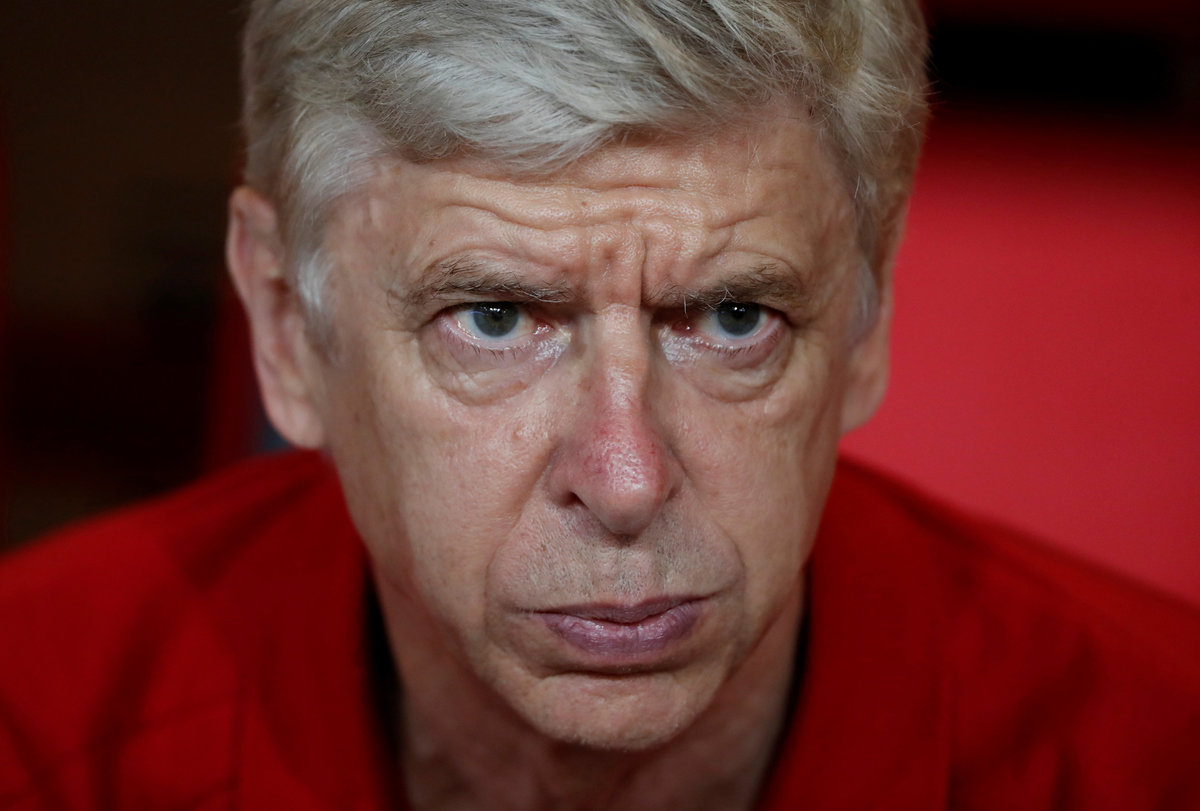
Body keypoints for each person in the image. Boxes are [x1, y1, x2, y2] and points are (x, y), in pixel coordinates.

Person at [2, 1, 1198, 808]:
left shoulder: (1158, 752)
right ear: (283, 327)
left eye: (733, 316)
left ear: (867, 320)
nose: (626, 479)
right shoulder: (38, 722)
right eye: (494, 318)